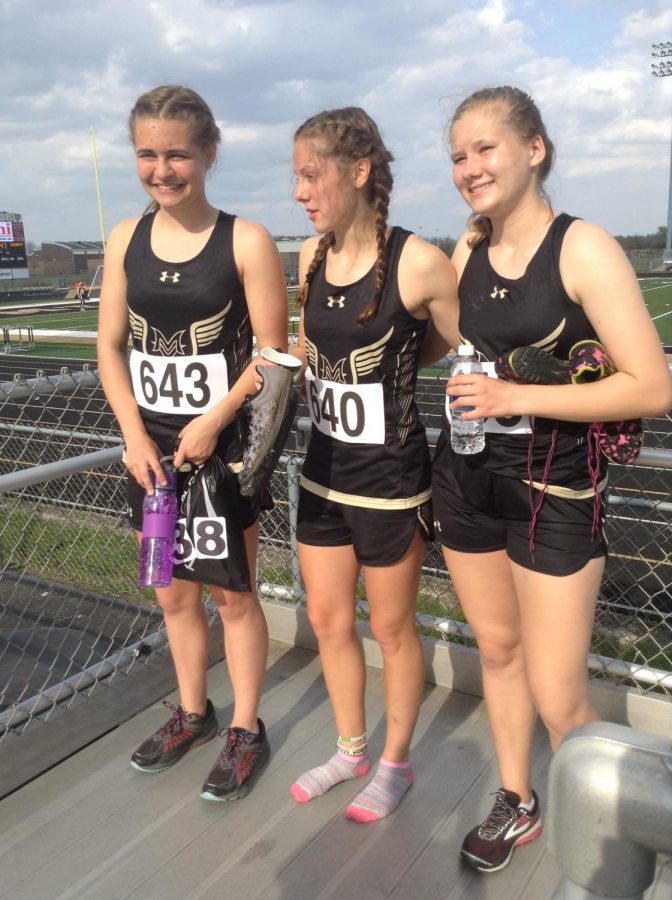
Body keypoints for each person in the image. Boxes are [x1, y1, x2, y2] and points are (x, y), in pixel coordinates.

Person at [431, 85, 672, 872]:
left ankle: (608, 833)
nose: (469, 166)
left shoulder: (583, 247)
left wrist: (517, 395)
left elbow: (652, 384)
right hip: (467, 479)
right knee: (497, 651)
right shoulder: (467, 251)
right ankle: (519, 800)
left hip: (555, 493)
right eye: (459, 155)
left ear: (535, 150)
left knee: (560, 694)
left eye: (484, 148)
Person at [97, 85, 289, 800]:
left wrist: (213, 421)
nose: (162, 169)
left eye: (177, 153)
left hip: (222, 456)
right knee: (173, 595)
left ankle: (245, 728)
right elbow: (111, 348)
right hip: (151, 457)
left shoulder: (246, 241)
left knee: (232, 596)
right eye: (147, 154)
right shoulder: (124, 239)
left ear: (208, 152)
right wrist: (131, 435)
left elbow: (273, 355)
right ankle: (192, 712)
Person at [289, 107, 458, 822]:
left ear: (358, 172)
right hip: (322, 473)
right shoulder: (309, 255)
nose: (300, 191)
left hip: (390, 485)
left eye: (310, 174)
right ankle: (349, 747)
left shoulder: (420, 261)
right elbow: (311, 346)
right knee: (329, 619)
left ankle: (394, 762)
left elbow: (449, 344)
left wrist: (385, 380)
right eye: (295, 177)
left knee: (392, 629)